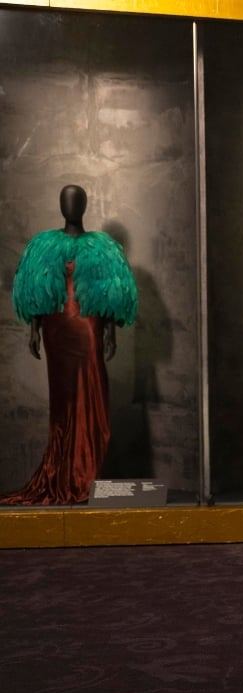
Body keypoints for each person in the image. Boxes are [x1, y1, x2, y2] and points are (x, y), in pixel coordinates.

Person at [2, 184, 136, 505]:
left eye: (76, 201)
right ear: (60, 205)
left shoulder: (103, 248)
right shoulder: (43, 245)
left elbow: (110, 295)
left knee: (92, 394)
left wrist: (110, 332)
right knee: (62, 397)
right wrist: (33, 330)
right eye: (66, 200)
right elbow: (36, 290)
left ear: (85, 205)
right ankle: (64, 471)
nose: (71, 206)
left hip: (88, 325)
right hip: (56, 328)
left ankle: (88, 474)